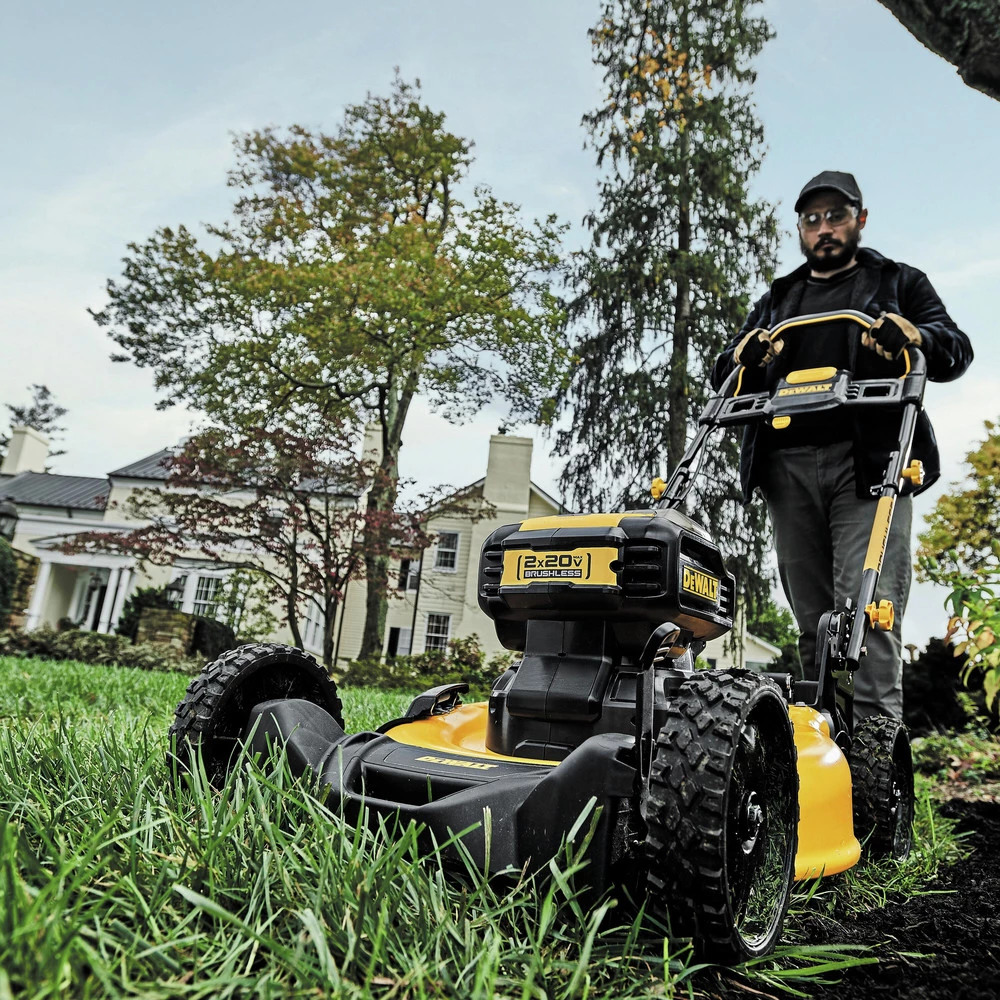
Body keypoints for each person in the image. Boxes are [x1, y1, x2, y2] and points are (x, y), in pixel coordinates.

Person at [712, 170, 973, 722]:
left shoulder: (898, 281)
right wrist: (748, 353)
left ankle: (878, 764)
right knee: (813, 621)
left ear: (860, 218)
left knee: (865, 614)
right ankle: (818, 751)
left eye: (836, 216)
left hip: (872, 467)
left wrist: (914, 334)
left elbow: (955, 349)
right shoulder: (781, 298)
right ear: (801, 229)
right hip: (787, 470)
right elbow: (726, 372)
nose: (824, 228)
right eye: (812, 220)